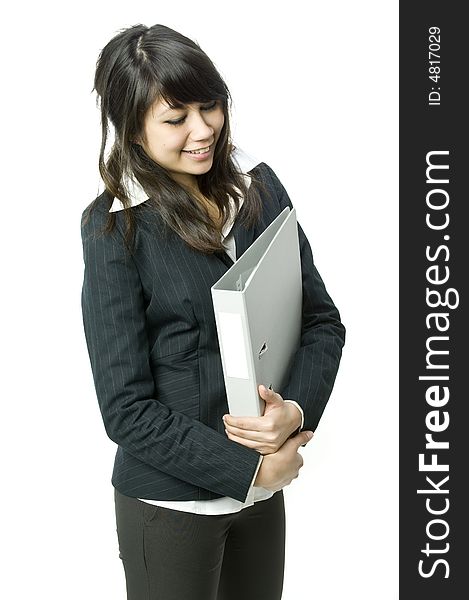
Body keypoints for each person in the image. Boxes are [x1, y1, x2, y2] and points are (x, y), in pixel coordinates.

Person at [81, 23, 345, 600]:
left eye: (210, 106)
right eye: (175, 119)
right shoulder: (116, 226)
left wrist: (295, 412)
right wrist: (247, 471)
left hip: (261, 497)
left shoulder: (259, 186)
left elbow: (323, 321)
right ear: (131, 126)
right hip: (171, 505)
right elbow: (124, 408)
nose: (202, 131)